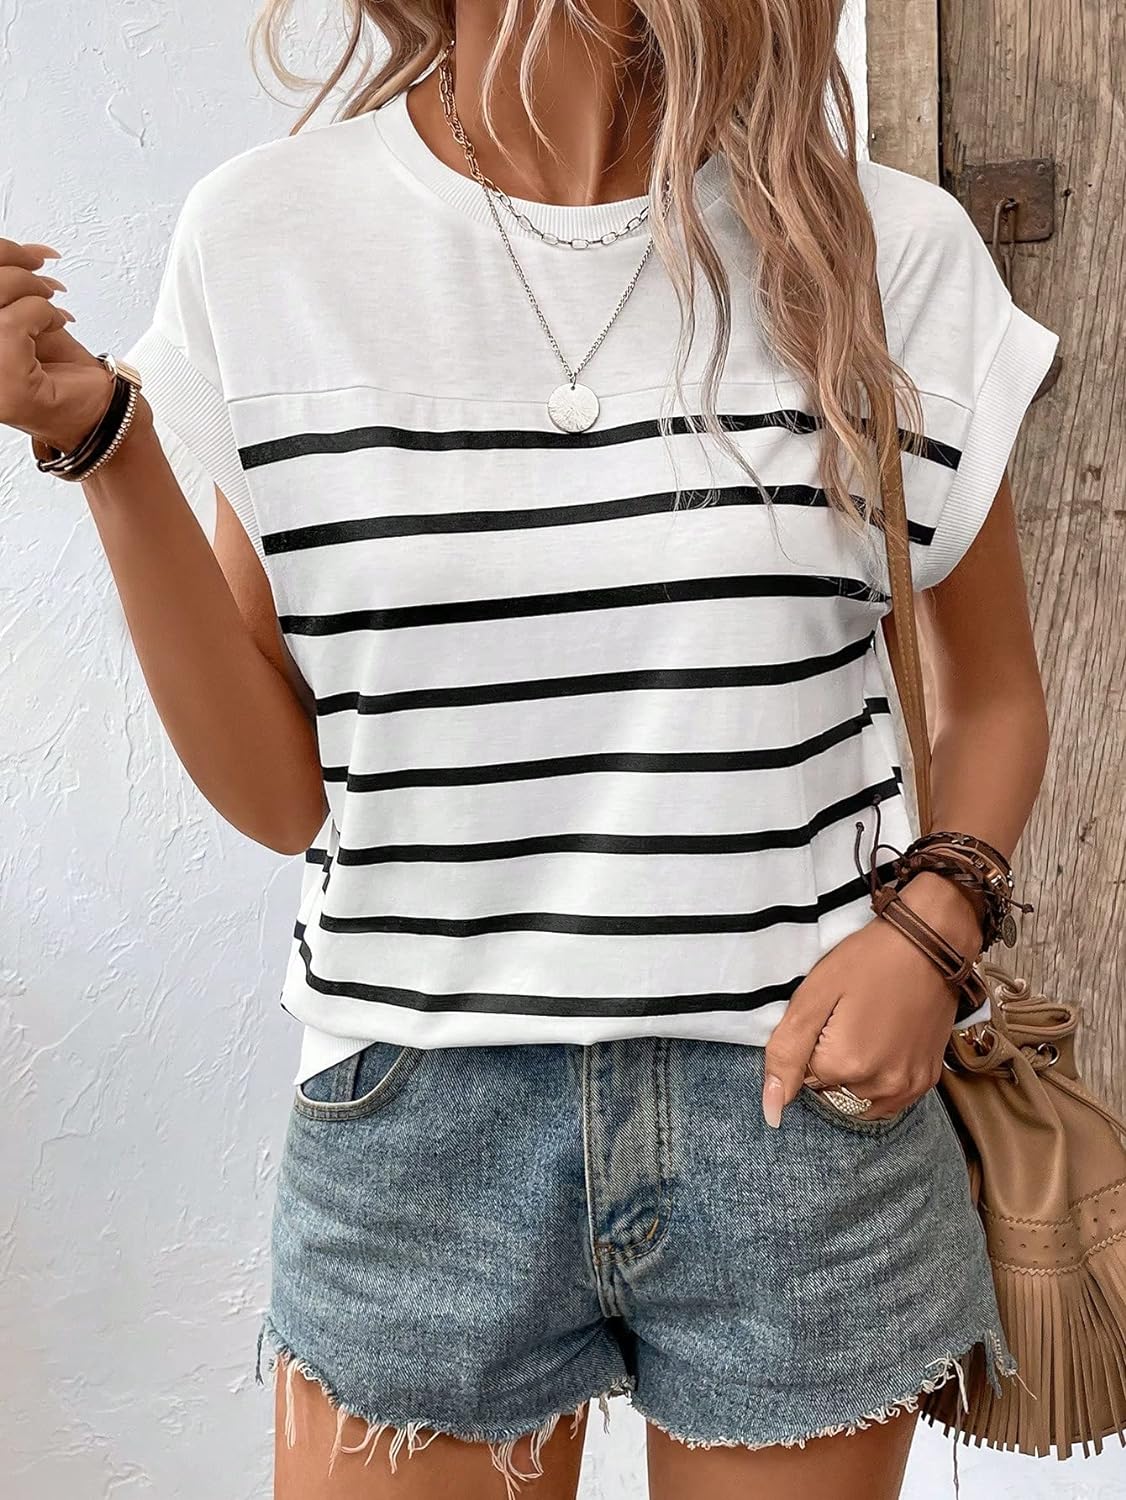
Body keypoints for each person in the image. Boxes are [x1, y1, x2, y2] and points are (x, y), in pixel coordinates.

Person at [1, 1, 1060, 1496]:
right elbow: (282, 796)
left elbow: (994, 695)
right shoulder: (269, 239)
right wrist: (104, 443)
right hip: (419, 1119)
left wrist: (928, 936)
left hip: (801, 1108)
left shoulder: (885, 249)